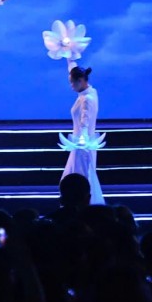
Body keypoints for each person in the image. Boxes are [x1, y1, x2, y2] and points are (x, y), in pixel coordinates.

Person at [63, 62, 103, 205]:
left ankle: (82, 207)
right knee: (78, 176)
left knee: (81, 177)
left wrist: (82, 139)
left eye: (72, 82)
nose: (71, 86)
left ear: (80, 81)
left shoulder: (87, 99)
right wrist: (69, 59)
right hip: (80, 144)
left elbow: (85, 120)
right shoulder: (90, 92)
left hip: (82, 145)